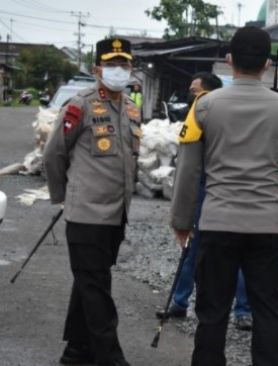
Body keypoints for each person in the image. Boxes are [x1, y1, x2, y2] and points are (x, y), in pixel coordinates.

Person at [170, 26, 278, 366]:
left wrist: (182, 221)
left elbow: (188, 170)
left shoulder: (203, 106)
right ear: (268, 63)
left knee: (212, 312)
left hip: (217, 223)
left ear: (229, 60)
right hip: (267, 226)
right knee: (266, 311)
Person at [43, 38, 140, 366]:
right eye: (112, 64)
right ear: (97, 68)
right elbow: (54, 154)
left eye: (124, 64)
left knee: (90, 281)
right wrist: (63, 198)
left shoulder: (129, 108)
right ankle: (109, 357)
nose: (118, 71)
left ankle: (76, 351)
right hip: (85, 214)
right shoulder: (79, 105)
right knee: (96, 286)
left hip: (116, 214)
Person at [156, 72, 253, 331]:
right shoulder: (202, 112)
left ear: (209, 92)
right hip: (205, 186)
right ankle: (179, 301)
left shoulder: (226, 113)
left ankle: (243, 310)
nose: (191, 95)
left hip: (224, 187)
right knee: (191, 249)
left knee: (237, 252)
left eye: (194, 90)